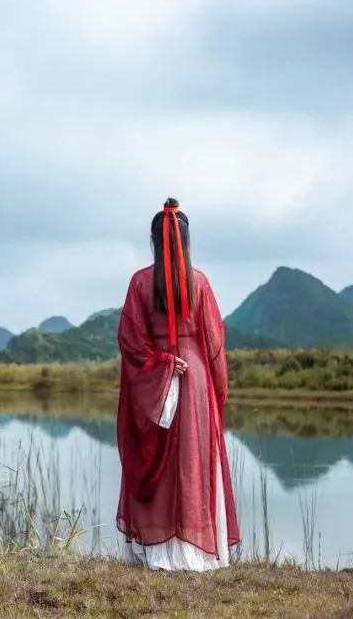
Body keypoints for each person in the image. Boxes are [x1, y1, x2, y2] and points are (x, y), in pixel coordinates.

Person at [115, 197, 240, 571]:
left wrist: (161, 364)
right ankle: (198, 550)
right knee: (194, 462)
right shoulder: (199, 282)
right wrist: (216, 392)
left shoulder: (140, 282)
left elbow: (130, 341)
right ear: (186, 241)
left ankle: (159, 551)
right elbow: (214, 345)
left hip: (159, 380)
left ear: (154, 240)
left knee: (162, 462)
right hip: (196, 379)